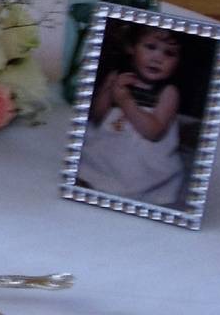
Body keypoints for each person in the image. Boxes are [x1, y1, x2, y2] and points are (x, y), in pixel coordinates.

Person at [76, 26, 185, 206]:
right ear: (131, 47)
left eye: (169, 53)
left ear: (179, 61)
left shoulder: (168, 92)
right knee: (90, 151)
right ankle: (91, 180)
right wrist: (108, 92)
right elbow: (95, 117)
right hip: (110, 139)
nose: (158, 58)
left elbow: (153, 132)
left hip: (144, 155)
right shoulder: (117, 76)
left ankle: (126, 190)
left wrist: (125, 100)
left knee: (132, 168)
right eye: (150, 47)